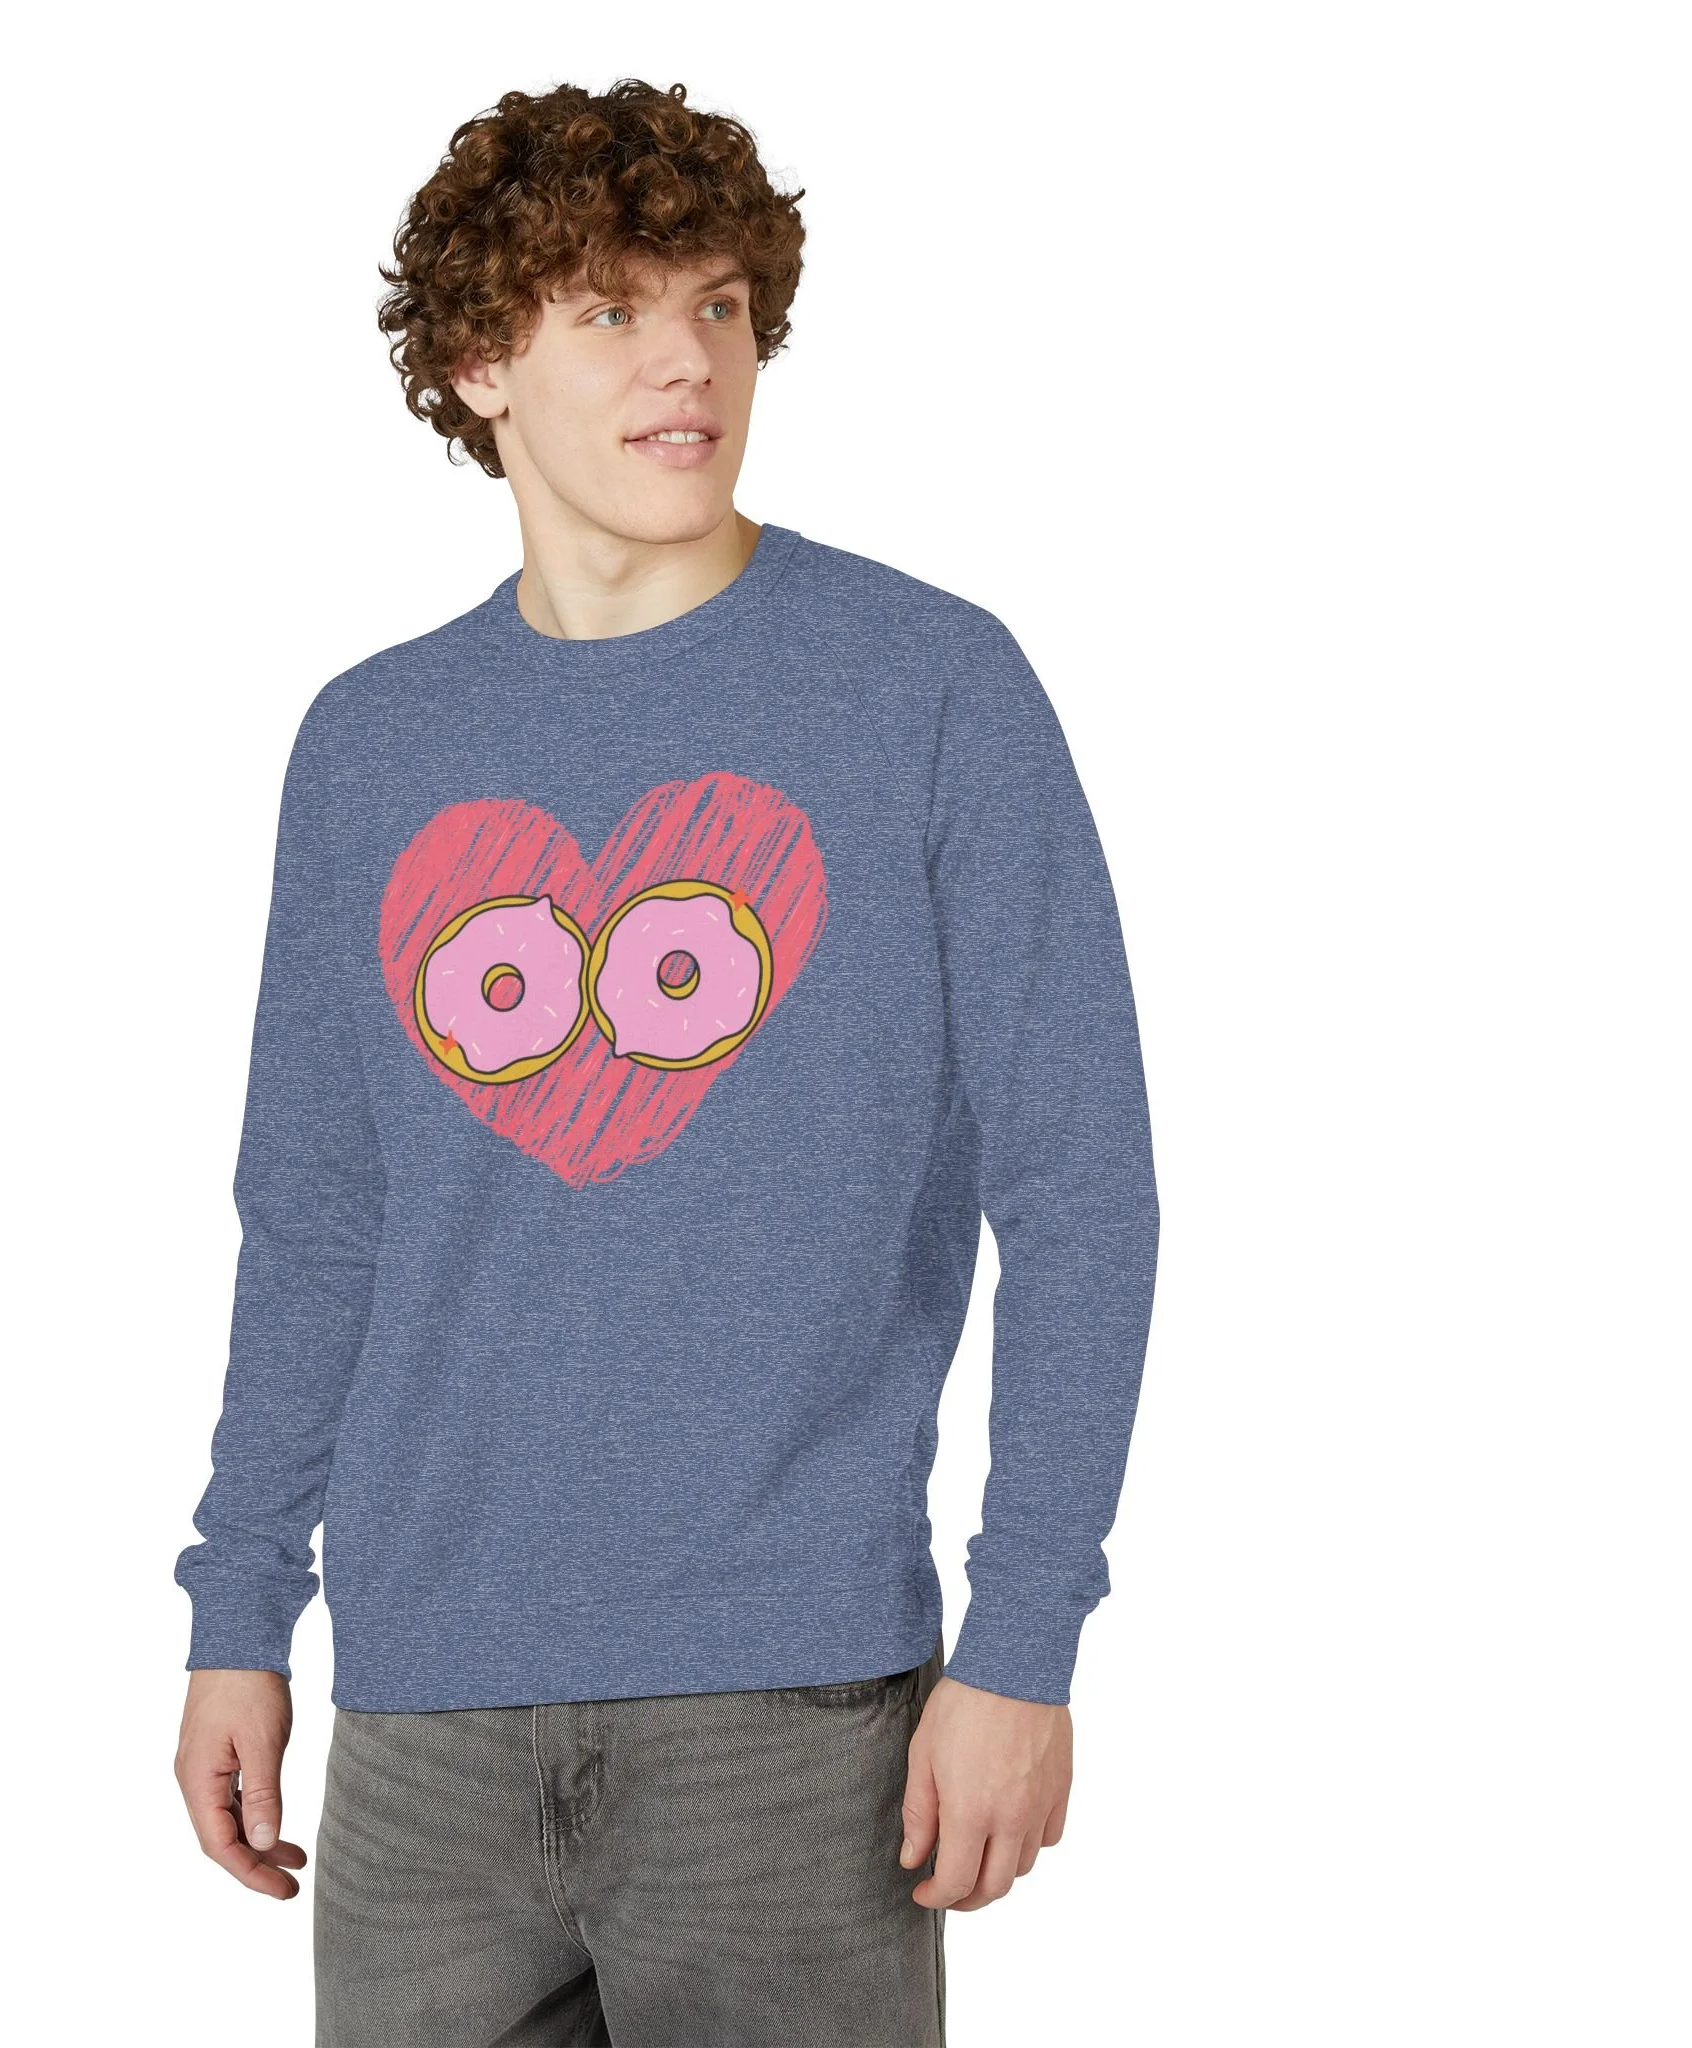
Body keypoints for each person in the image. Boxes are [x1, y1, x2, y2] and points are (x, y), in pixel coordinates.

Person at [173, 76, 1158, 2048]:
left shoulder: (926, 687)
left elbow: (1080, 1189)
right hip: (423, 1731)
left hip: (791, 1720)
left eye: (718, 304)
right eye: (610, 310)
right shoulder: (370, 745)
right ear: (479, 365)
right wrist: (239, 1612)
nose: (688, 359)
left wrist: (1025, 1642)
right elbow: (318, 1220)